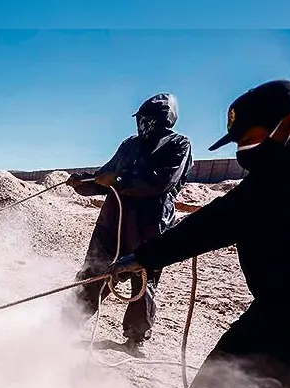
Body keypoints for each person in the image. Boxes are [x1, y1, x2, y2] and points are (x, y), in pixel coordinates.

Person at [107, 80, 290, 388]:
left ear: (289, 126)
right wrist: (146, 257)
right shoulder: (283, 173)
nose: (242, 150)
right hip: (288, 318)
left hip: (289, 319)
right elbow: (221, 219)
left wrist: (145, 256)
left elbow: (223, 219)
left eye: (247, 137)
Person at [65, 93, 194, 354]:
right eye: (142, 119)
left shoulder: (179, 144)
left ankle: (135, 338)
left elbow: (160, 182)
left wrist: (119, 181)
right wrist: (84, 184)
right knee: (94, 272)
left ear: (163, 120)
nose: (143, 124)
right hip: (112, 224)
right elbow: (106, 175)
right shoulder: (129, 145)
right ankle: (66, 324)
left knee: (143, 281)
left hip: (149, 228)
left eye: (149, 119)